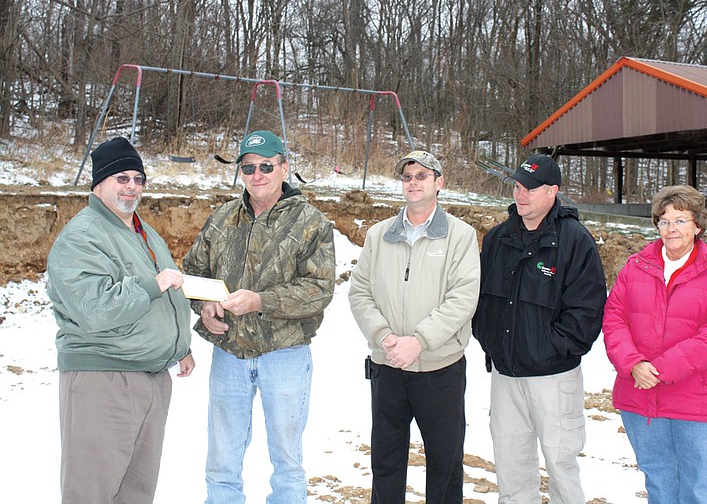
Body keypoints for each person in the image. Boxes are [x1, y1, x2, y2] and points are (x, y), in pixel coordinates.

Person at [182, 130, 335, 504]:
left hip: (285, 354)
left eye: (267, 165)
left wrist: (260, 301)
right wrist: (205, 307)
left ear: (284, 168)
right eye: (249, 167)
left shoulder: (311, 222)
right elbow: (193, 273)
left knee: (287, 461)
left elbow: (319, 290)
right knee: (222, 460)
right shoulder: (222, 218)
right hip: (230, 355)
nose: (258, 174)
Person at [46, 137, 195, 504]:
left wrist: (180, 346)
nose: (132, 187)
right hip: (104, 381)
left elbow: (168, 293)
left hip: (150, 379)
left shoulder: (141, 230)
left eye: (138, 178)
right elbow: (95, 309)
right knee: (91, 492)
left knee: (136, 494)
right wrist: (153, 284)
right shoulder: (82, 236)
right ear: (98, 184)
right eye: (121, 178)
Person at [472, 154, 607, 504]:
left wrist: (550, 349)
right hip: (506, 376)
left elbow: (587, 311)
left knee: (560, 465)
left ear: (553, 191)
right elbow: (480, 300)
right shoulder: (498, 239)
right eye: (518, 186)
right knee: (510, 466)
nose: (521, 195)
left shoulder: (575, 240)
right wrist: (491, 342)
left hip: (553, 376)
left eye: (530, 188)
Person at [348, 150, 480, 503]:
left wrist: (419, 342)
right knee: (386, 461)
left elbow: (463, 298)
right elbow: (359, 292)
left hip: (440, 368)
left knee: (445, 463)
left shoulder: (460, 236)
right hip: (388, 365)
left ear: (439, 182)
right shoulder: (379, 235)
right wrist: (385, 337)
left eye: (422, 176)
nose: (413, 183)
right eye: (407, 177)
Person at [602, 185, 707, 504]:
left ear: (698, 226)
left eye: (680, 220)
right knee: (660, 486)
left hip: (698, 403)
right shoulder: (635, 268)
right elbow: (614, 318)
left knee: (701, 491)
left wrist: (660, 369)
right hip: (642, 397)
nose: (671, 228)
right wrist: (633, 364)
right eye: (664, 221)